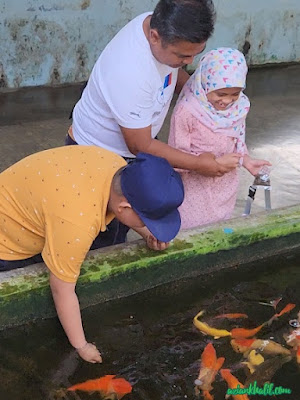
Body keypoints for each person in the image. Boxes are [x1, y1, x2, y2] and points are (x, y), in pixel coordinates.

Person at [66, 0, 240, 245]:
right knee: (99, 236)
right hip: (97, 154)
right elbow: (139, 144)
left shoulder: (159, 23)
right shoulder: (129, 71)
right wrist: (199, 164)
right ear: (155, 37)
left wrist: (202, 97)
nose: (188, 62)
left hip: (136, 139)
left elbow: (174, 72)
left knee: (129, 219)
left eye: (194, 54)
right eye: (182, 55)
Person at [0, 146, 184, 363]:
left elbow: (126, 207)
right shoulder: (76, 224)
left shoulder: (114, 164)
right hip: (9, 236)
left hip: (26, 194)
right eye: (148, 221)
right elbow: (61, 290)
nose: (150, 227)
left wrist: (146, 234)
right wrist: (81, 346)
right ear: (123, 207)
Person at [168, 47, 271, 229]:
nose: (227, 101)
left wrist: (245, 160)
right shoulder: (187, 111)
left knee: (219, 226)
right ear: (204, 84)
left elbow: (237, 138)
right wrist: (209, 163)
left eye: (235, 94)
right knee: (192, 228)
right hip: (194, 187)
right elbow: (176, 156)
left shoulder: (238, 108)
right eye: (220, 94)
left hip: (225, 184)